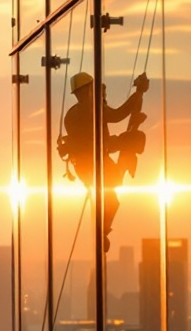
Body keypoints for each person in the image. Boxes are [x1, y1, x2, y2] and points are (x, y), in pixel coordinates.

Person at [59, 70, 149, 235]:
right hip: (97, 164)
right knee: (112, 200)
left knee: (111, 200)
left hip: (84, 166)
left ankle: (102, 230)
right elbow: (118, 114)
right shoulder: (92, 109)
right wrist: (139, 93)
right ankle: (102, 230)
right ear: (87, 90)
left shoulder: (71, 114)